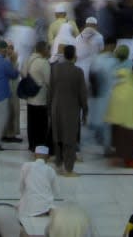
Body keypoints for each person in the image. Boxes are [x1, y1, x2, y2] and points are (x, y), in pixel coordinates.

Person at [49, 44, 88, 176]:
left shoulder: (55, 69)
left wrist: (49, 108)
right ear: (74, 55)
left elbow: (50, 90)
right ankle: (68, 169)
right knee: (69, 140)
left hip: (56, 108)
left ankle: (58, 165)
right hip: (70, 110)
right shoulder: (78, 71)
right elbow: (83, 94)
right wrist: (85, 111)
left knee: (58, 138)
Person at [106, 68, 133, 168]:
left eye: (122, 77)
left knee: (129, 144)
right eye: (119, 77)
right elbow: (112, 104)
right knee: (122, 143)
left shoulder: (132, 90)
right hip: (122, 122)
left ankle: (130, 161)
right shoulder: (117, 88)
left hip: (129, 122)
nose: (120, 79)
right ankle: (123, 159)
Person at [24, 41, 52, 152]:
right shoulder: (43, 63)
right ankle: (39, 146)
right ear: (44, 50)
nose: (49, 51)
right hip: (40, 99)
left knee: (31, 123)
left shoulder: (29, 59)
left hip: (30, 97)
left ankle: (32, 145)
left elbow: (23, 73)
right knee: (41, 125)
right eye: (48, 49)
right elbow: (49, 81)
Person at [18, 146, 58, 217]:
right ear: (48, 157)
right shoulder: (50, 170)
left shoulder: (26, 166)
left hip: (28, 208)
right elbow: (56, 191)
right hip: (45, 207)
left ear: (34, 155)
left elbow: (21, 187)